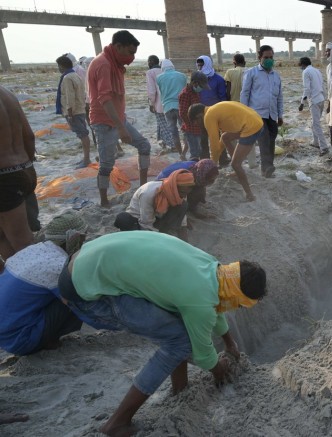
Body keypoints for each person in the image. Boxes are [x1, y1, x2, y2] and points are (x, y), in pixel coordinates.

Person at [58, 231, 267, 437]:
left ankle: (180, 390)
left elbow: (211, 303)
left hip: (85, 260)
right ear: (235, 296)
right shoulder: (200, 300)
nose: (235, 308)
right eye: (239, 305)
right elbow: (204, 355)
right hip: (84, 289)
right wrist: (219, 370)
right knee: (180, 341)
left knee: (178, 325)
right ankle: (117, 423)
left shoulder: (213, 267)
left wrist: (229, 342)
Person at [0, 213, 90, 356]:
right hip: (20, 341)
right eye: (83, 239)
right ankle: (46, 340)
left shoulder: (33, 250)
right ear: (74, 238)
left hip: (5, 337)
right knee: (74, 294)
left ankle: (44, 336)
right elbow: (82, 305)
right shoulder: (58, 265)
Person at [87, 30, 151, 208]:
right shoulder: (104, 64)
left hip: (118, 119)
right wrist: (120, 127)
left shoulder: (114, 63)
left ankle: (143, 188)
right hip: (104, 122)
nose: (132, 57)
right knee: (107, 164)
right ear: (118, 47)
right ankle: (104, 201)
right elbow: (104, 98)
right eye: (130, 52)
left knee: (144, 146)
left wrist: (121, 122)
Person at [189, 102, 264, 202]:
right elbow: (222, 137)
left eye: (197, 122)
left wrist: (211, 166)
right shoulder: (213, 109)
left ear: (199, 116)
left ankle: (250, 194)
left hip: (251, 127)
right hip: (257, 120)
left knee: (235, 164)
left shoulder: (208, 117)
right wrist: (215, 158)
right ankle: (237, 172)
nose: (198, 125)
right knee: (225, 137)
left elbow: (214, 144)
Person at [0, 85, 39, 267]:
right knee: (5, 238)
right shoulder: (7, 93)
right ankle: (16, 282)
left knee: (23, 243)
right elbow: (29, 136)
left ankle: (38, 291)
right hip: (24, 168)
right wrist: (27, 164)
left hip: (4, 178)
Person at [113, 169, 195, 241]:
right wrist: (156, 239)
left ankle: (162, 233)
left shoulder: (180, 192)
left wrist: (185, 241)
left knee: (183, 205)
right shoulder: (148, 192)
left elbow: (181, 218)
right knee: (123, 218)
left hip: (157, 217)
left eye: (186, 194)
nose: (184, 196)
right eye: (183, 193)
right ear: (174, 187)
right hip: (138, 219)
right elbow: (146, 223)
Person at [240, 44, 283, 178]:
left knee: (271, 139)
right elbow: (245, 93)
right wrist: (244, 114)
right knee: (264, 139)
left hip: (272, 114)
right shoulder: (251, 73)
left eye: (271, 57)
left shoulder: (276, 76)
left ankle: (267, 167)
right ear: (259, 58)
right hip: (256, 114)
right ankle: (267, 168)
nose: (269, 60)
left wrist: (280, 115)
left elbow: (279, 97)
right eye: (266, 57)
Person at [55, 55, 92, 168]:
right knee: (83, 134)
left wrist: (70, 114)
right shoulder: (75, 75)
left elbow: (70, 97)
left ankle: (86, 159)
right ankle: (85, 158)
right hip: (79, 109)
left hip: (74, 111)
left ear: (62, 66)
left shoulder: (67, 78)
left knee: (83, 135)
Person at [225, 54, 257, 168]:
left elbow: (228, 92)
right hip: (247, 107)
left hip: (234, 107)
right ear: (244, 61)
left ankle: (237, 160)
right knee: (248, 133)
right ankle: (253, 162)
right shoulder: (250, 71)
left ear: (234, 62)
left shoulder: (230, 72)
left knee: (233, 134)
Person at [156, 59, 188, 161]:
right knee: (185, 130)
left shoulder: (159, 78)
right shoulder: (182, 76)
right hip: (181, 106)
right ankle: (184, 152)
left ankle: (179, 153)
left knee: (174, 132)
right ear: (172, 66)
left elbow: (161, 91)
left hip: (168, 107)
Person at [298, 57, 328, 157]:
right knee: (314, 122)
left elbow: (307, 88)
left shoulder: (306, 72)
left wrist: (302, 102)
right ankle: (315, 142)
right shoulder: (317, 71)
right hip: (321, 99)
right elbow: (323, 85)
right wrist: (326, 98)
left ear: (302, 65)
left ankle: (324, 147)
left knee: (316, 124)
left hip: (314, 100)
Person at [178, 71, 211, 162]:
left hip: (198, 127)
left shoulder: (195, 92)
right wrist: (193, 124)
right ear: (194, 82)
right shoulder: (185, 94)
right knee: (195, 153)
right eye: (200, 85)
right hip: (191, 129)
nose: (201, 88)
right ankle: (193, 172)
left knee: (200, 150)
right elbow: (183, 113)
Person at [146, 55, 172, 155]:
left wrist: (151, 104)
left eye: (148, 61)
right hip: (169, 101)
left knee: (163, 124)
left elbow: (152, 91)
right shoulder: (164, 71)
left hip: (158, 103)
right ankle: (164, 142)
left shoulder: (150, 72)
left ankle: (172, 145)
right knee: (164, 123)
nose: (148, 63)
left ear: (151, 62)